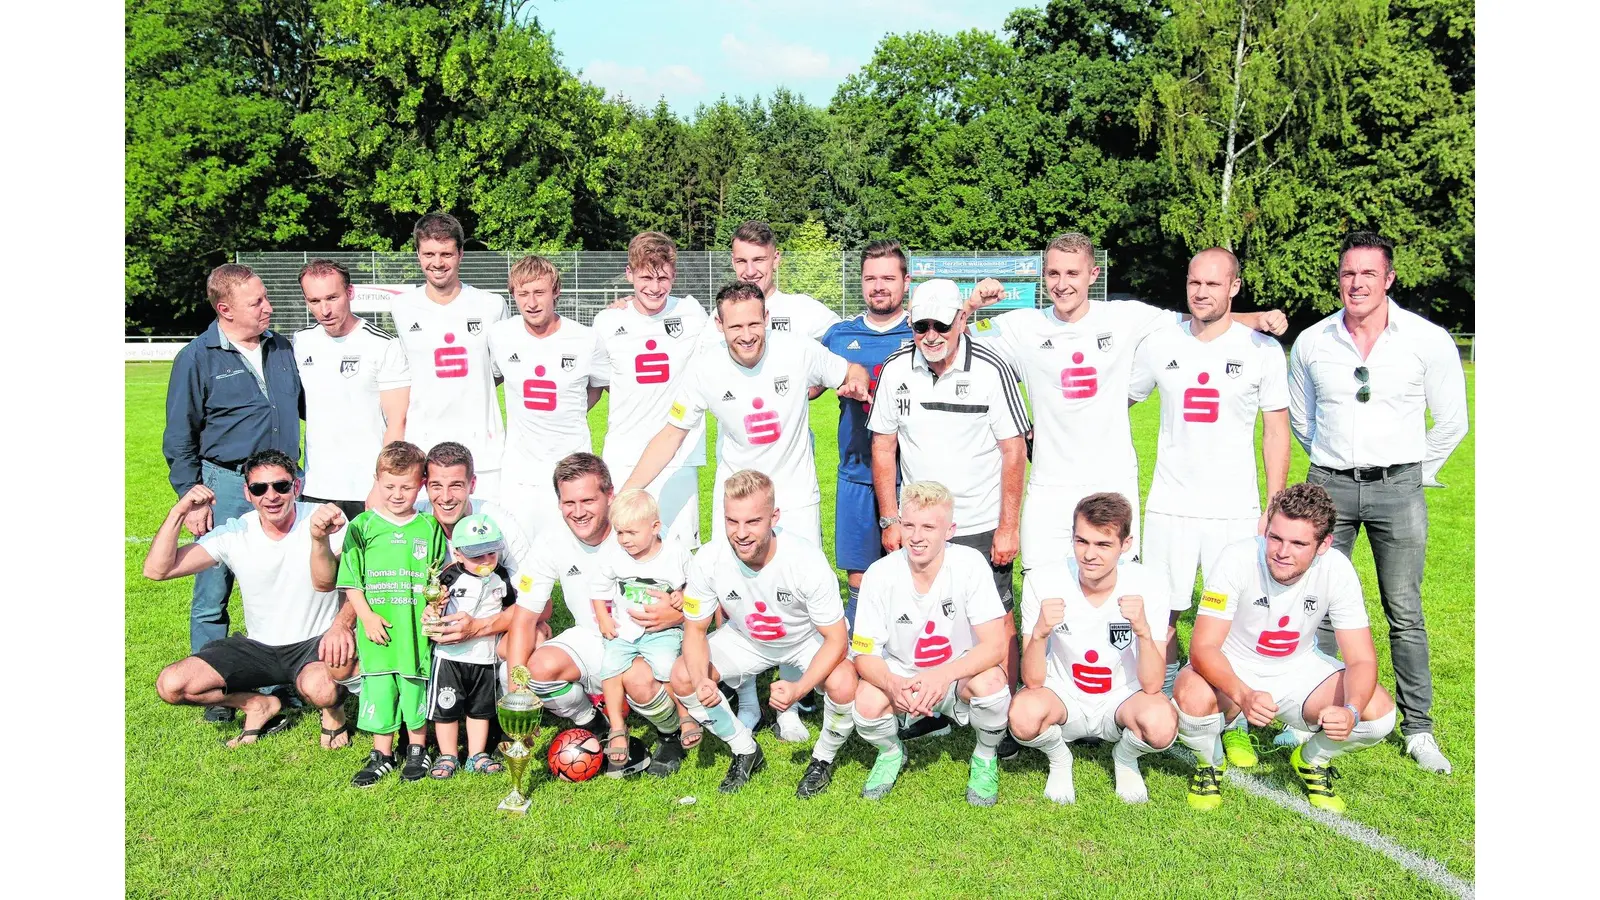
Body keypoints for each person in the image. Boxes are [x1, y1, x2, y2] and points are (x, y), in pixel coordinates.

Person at [966, 233, 1285, 571]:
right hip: (1049, 485)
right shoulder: (1021, 325)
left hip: (1112, 481)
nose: (1061, 284)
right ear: (1043, 275)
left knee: (1116, 596)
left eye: (1073, 273)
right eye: (1053, 274)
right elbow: (955, 342)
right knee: (1044, 592)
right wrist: (971, 306)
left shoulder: (1126, 317)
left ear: (1093, 275)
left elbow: (1199, 318)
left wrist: (1257, 317)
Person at [1287, 231, 1468, 775]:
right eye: (1348, 273)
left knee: (1404, 612)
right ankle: (1305, 717)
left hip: (1400, 489)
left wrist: (1412, 470)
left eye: (1368, 273)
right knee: (1313, 607)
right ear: (1338, 278)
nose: (1356, 283)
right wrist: (1335, 460)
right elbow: (1302, 419)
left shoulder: (1427, 339)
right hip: (1331, 486)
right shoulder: (1313, 341)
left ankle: (1418, 729)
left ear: (1388, 279)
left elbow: (1452, 422)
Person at [1174, 483, 1397, 813]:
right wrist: (1244, 693)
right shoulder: (1237, 558)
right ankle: (1210, 763)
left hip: (1300, 669)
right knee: (1190, 692)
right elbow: (1203, 648)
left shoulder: (1337, 569)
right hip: (1235, 666)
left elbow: (1361, 658)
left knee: (1379, 715)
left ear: (1323, 545)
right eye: (1275, 537)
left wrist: (1349, 711)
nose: (1281, 551)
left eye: (1298, 543)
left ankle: (1311, 760)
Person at [1128, 247, 1290, 696]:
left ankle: (1232, 710)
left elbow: (1276, 431)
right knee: (1163, 614)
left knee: (1237, 615)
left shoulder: (1263, 350)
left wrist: (1274, 503)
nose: (1201, 292)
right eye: (1194, 282)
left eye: (1213, 284)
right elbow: (1118, 400)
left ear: (1234, 287)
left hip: (1235, 510)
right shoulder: (1161, 343)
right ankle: (1158, 700)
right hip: (1169, 506)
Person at [621, 282, 870, 550]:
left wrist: (856, 381)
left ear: (766, 318)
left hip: (795, 499)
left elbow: (851, 370)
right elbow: (671, 435)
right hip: (735, 503)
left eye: (754, 324)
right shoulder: (704, 368)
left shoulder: (799, 349)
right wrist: (627, 492)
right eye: (736, 327)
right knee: (731, 588)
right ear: (719, 324)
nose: (747, 335)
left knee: (801, 585)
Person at [162, 263, 304, 722]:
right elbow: (179, 435)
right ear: (224, 309)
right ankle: (220, 693)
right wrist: (192, 494)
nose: (268, 307)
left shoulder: (282, 347)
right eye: (257, 302)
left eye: (265, 297)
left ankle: (287, 682)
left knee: (287, 582)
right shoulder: (197, 357)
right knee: (212, 589)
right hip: (223, 483)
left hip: (282, 483)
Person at [868, 278, 1028, 672]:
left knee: (996, 615)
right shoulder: (894, 370)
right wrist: (891, 520)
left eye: (941, 325)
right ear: (911, 324)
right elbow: (883, 447)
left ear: (960, 319)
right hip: (919, 525)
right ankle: (936, 702)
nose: (932, 336)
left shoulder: (992, 370)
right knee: (929, 610)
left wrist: (1008, 526)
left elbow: (1014, 450)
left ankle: (1003, 711)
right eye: (922, 326)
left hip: (978, 521)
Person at [143, 449, 352, 749]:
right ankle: (257, 704)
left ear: (296, 486)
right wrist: (180, 510)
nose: (271, 496)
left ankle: (334, 713)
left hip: (313, 643)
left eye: (281, 486)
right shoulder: (236, 531)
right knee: (172, 685)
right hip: (258, 648)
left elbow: (355, 585)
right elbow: (156, 570)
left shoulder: (324, 521)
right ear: (248, 492)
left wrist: (340, 626)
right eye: (259, 488)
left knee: (321, 689)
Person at [670, 470, 859, 797]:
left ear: (774, 517)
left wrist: (800, 688)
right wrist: (702, 677)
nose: (740, 533)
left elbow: (837, 639)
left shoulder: (805, 560)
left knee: (843, 682)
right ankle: (744, 749)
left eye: (753, 522)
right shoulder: (710, 559)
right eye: (732, 521)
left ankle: (823, 759)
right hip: (746, 640)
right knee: (683, 675)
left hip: (805, 640)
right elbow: (695, 630)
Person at [501, 453, 683, 777]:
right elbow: (524, 619)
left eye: (588, 500)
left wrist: (676, 615)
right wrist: (518, 692)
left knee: (639, 680)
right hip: (592, 635)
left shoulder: (639, 528)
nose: (579, 512)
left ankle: (671, 735)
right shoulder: (550, 540)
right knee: (536, 669)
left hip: (647, 639)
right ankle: (595, 723)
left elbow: (700, 594)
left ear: (610, 495)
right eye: (569, 502)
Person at [847, 481, 1013, 806]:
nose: (916, 536)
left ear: (950, 530)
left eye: (928, 527)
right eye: (908, 525)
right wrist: (893, 684)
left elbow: (995, 645)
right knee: (866, 703)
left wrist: (942, 676)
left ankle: (985, 756)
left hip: (955, 678)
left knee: (993, 683)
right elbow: (864, 656)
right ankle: (892, 752)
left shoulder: (969, 564)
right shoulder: (879, 574)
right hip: (903, 679)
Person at [1009, 493, 1177, 805]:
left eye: (1103, 545)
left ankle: (1125, 758)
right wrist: (1040, 633)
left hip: (1121, 699)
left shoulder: (1150, 583)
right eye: (1081, 541)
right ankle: (1060, 760)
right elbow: (1032, 681)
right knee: (1022, 717)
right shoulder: (1043, 580)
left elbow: (1153, 685)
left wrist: (1142, 630)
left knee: (1162, 725)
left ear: (1125, 545)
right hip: (1064, 695)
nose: (1089, 554)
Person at [592, 232, 717, 548]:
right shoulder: (607, 322)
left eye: (663, 277)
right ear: (629, 274)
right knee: (625, 548)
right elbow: (602, 383)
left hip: (679, 456)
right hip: (623, 453)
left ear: (673, 274)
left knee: (678, 554)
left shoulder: (691, 313)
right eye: (646, 277)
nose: (655, 286)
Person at [337, 441, 450, 787]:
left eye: (407, 487)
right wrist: (366, 616)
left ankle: (418, 750)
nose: (398, 494)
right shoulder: (362, 526)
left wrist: (435, 606)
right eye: (390, 486)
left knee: (415, 684)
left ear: (420, 485)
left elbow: (439, 577)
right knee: (380, 687)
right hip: (378, 628)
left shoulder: (428, 528)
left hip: (414, 628)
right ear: (377, 480)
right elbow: (351, 579)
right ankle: (381, 754)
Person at [819, 240, 916, 624]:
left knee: (914, 572)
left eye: (888, 278)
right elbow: (805, 385)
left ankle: (910, 658)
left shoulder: (922, 331)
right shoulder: (839, 336)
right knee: (859, 577)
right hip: (857, 474)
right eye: (870, 278)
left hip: (911, 477)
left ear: (905, 282)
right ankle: (857, 665)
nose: (879, 286)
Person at [390, 212, 510, 500]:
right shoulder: (402, 307)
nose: (438, 263)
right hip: (423, 447)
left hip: (483, 451)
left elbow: (499, 369)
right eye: (429, 253)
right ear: (418, 255)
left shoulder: (491, 305)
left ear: (461, 254)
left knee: (483, 538)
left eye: (446, 253)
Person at [486, 255, 604, 540]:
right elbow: (493, 379)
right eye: (522, 294)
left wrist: (570, 411)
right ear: (513, 294)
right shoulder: (500, 335)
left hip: (571, 461)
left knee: (576, 547)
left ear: (556, 291)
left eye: (539, 292)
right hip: (519, 468)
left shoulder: (586, 339)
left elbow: (597, 389)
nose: (531, 303)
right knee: (518, 549)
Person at [293, 258, 410, 520]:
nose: (324, 310)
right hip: (316, 486)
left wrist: (382, 484)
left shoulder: (383, 345)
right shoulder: (302, 342)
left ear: (350, 293)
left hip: (365, 489)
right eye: (314, 301)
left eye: (332, 298)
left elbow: (397, 421)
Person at [589, 490, 694, 777]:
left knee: (664, 667)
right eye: (620, 532)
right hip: (624, 631)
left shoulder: (674, 553)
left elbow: (696, 584)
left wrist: (682, 596)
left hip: (663, 631)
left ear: (655, 527)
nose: (625, 540)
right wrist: (603, 619)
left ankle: (685, 717)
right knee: (609, 668)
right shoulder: (615, 556)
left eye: (631, 533)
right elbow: (598, 591)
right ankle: (617, 728)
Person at [411, 442, 534, 655]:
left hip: (487, 630)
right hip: (426, 631)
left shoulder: (499, 524)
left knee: (536, 633)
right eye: (436, 486)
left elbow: (539, 601)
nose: (446, 497)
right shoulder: (411, 519)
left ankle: (508, 683)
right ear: (425, 486)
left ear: (472, 484)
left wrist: (479, 627)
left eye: (456, 485)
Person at [424, 513, 515, 780]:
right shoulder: (449, 576)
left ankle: (477, 755)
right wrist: (432, 611)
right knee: (446, 708)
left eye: (491, 553)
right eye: (477, 556)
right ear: (458, 554)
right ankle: (448, 755)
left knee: (480, 709)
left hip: (484, 657)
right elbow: (434, 605)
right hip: (450, 655)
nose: (486, 561)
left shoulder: (502, 578)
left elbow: (511, 609)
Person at [729, 220, 843, 340]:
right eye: (741, 261)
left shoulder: (804, 310)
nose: (750, 272)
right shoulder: (721, 315)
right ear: (733, 263)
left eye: (759, 260)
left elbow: (848, 342)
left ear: (776, 259)